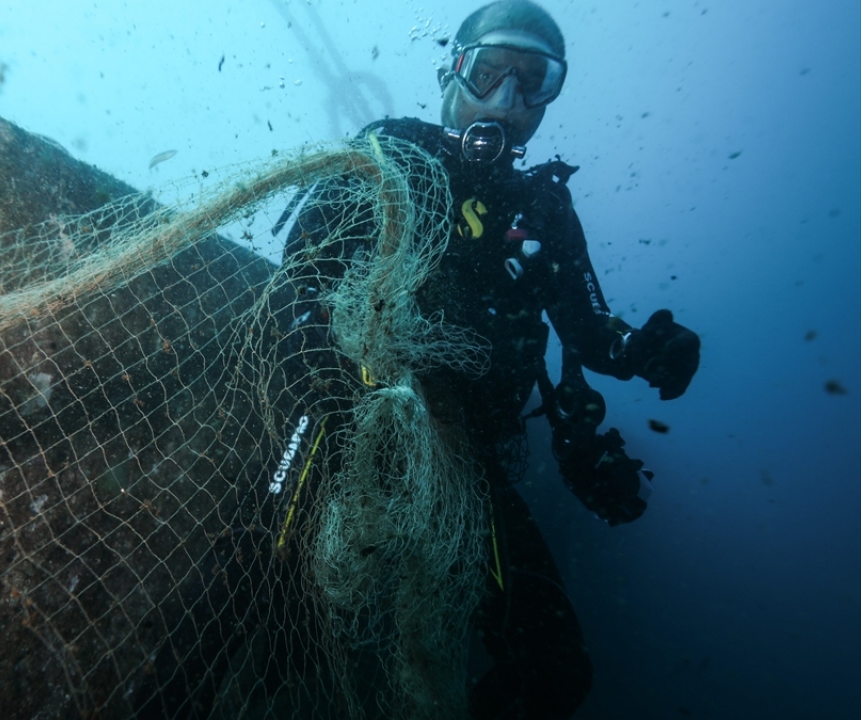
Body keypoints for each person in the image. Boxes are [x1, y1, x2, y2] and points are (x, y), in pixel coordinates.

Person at [276, 1, 702, 718]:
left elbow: (593, 334)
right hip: (347, 414)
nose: (507, 100)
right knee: (265, 573)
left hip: (468, 464)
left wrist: (646, 350)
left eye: (533, 82)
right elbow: (300, 273)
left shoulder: (543, 210)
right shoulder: (388, 159)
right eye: (490, 71)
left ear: (548, 99)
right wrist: (322, 367)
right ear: (453, 70)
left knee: (554, 669)